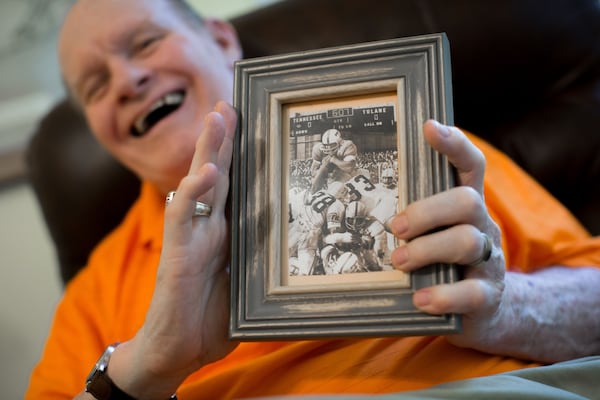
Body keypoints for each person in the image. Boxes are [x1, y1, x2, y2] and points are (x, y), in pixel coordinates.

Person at [26, 0, 600, 399]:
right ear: (97, 130)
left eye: (145, 42)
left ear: (222, 40)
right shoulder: (95, 291)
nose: (125, 82)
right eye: (95, 87)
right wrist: (147, 366)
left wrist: (508, 307)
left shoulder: (422, 144)